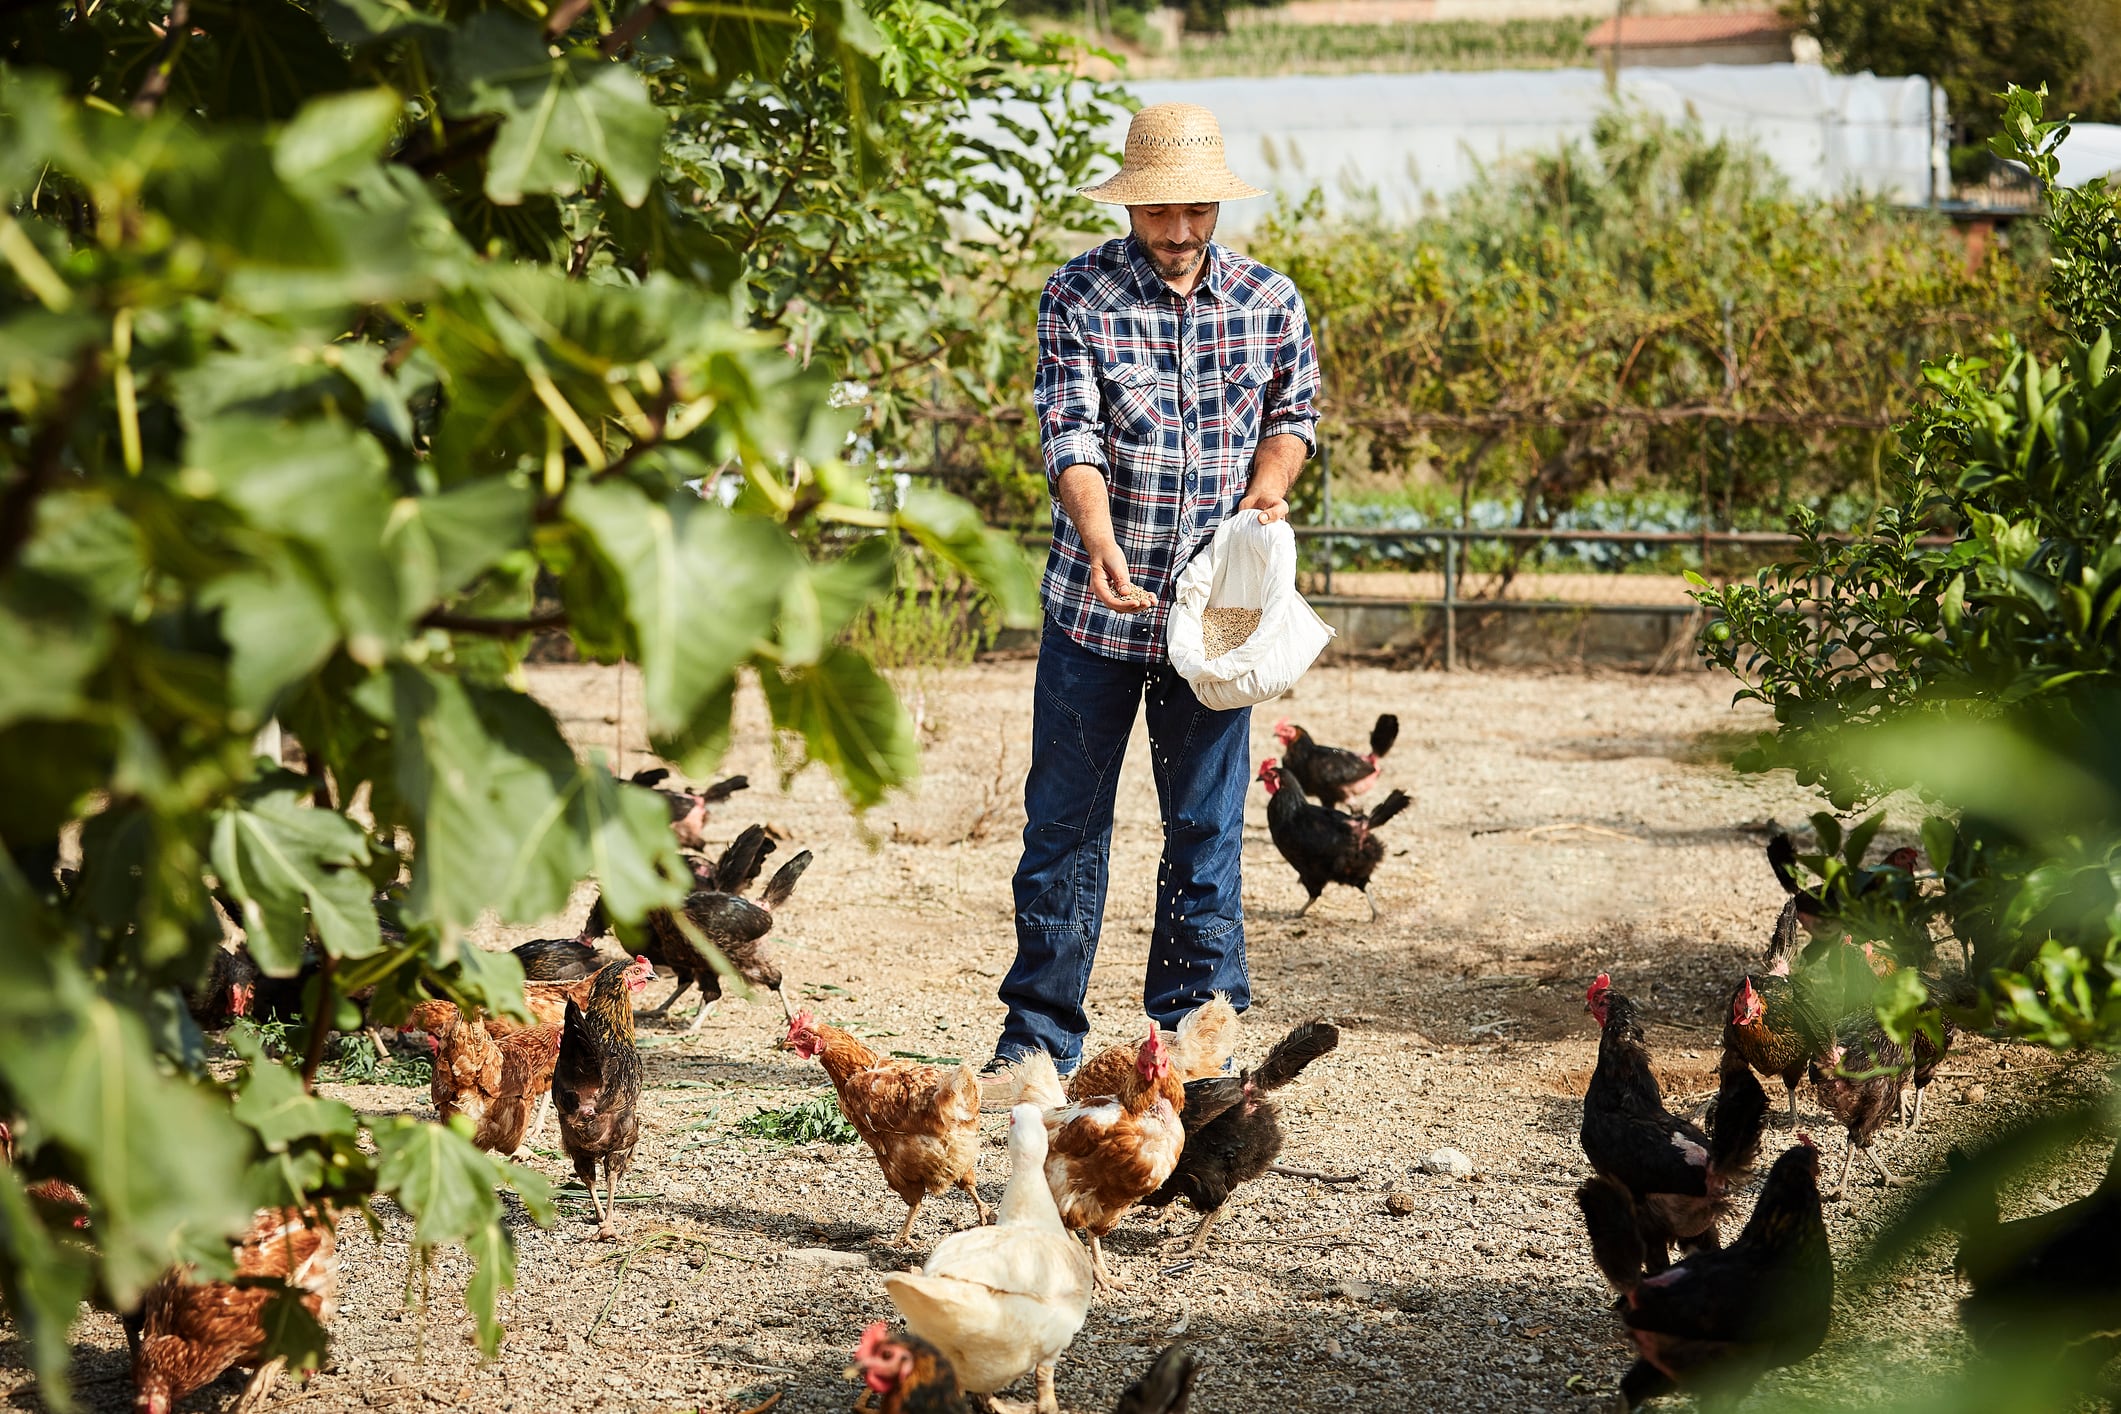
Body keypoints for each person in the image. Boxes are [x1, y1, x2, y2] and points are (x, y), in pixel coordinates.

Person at [986, 102, 1321, 1077]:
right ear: (1131, 204)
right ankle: (1038, 1041)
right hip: (1096, 614)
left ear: (1216, 205)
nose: (1179, 232)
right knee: (1062, 832)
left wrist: (1270, 487)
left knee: (1207, 835)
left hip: (1211, 626)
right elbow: (1069, 431)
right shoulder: (1077, 296)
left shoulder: (1270, 300)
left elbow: (1294, 411)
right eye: (1160, 213)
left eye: (1196, 212)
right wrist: (1096, 534)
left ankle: (1190, 1048)